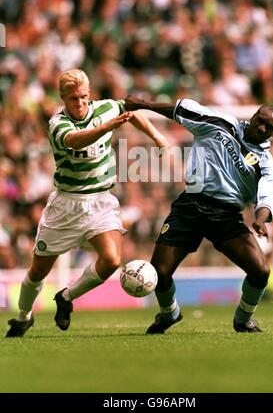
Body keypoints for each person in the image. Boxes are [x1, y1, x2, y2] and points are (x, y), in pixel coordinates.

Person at [6, 69, 169, 337]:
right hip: (66, 206)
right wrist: (107, 127)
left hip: (100, 201)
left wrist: (157, 137)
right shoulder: (57, 124)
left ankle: (66, 297)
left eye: (83, 97)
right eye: (72, 99)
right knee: (37, 271)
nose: (79, 103)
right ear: (62, 98)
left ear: (89, 94)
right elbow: (76, 140)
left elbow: (132, 113)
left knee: (112, 259)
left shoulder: (105, 108)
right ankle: (24, 316)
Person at [124, 95, 273, 333]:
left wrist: (259, 220)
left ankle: (243, 319)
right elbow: (180, 109)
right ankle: (170, 314)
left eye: (268, 127)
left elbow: (266, 198)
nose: (261, 128)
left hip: (226, 216)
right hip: (191, 206)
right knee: (160, 271)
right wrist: (144, 104)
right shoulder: (220, 123)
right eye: (260, 120)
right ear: (252, 116)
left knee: (260, 271)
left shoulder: (266, 164)